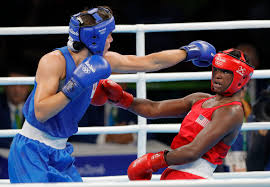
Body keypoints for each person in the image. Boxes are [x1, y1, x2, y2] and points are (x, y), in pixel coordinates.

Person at [7, 6, 216, 183]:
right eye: (108, 35)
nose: (112, 39)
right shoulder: (53, 61)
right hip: (30, 152)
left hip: (60, 151)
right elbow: (41, 111)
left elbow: (150, 61)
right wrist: (76, 85)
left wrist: (188, 52)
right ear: (95, 38)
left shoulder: (105, 60)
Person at [95, 48, 255, 180]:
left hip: (194, 177)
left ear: (241, 78)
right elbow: (153, 109)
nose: (217, 75)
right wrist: (121, 99)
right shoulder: (200, 99)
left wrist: (152, 161)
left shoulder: (232, 111)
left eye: (226, 72)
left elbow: (193, 151)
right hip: (174, 173)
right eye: (216, 69)